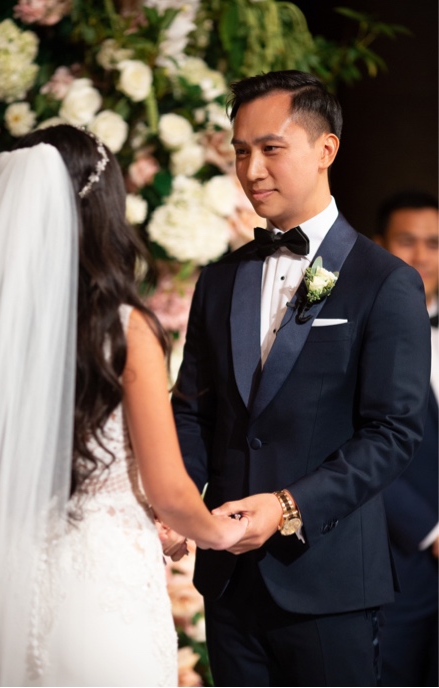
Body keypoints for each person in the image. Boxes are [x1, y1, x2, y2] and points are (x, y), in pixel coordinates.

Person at [172, 71, 430, 686]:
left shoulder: (385, 280)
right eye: (240, 151)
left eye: (270, 148)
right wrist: (176, 501)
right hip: (229, 583)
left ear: (326, 150)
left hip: (330, 579)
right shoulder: (219, 279)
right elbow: (193, 410)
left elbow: (393, 433)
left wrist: (288, 506)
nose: (251, 168)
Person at [0, 123, 249, 685]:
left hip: (11, 576)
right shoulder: (122, 330)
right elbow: (170, 490)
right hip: (101, 583)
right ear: (106, 209)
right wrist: (222, 533)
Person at [371, 190, 438, 686]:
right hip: (398, 554)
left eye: (434, 243)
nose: (421, 255)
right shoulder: (360, 328)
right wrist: (431, 531)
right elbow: (354, 441)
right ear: (380, 245)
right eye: (407, 241)